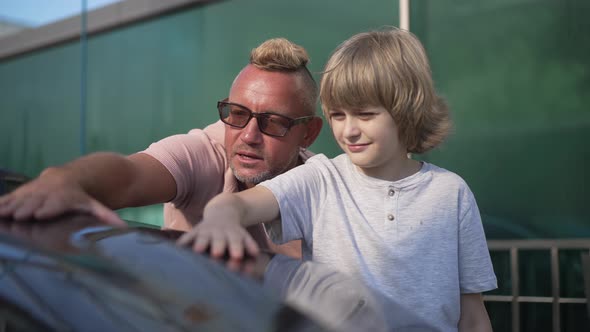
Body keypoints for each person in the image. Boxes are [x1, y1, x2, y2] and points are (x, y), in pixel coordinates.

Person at [178, 28, 497, 331]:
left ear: (406, 110)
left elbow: (472, 315)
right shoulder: (320, 178)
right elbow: (240, 204)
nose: (349, 130)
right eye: (338, 115)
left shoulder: (452, 193)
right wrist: (222, 215)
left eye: (366, 114)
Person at [0, 38, 323, 259]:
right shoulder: (203, 151)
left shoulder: (325, 189)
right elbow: (129, 175)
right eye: (237, 115)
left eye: (273, 122)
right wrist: (67, 180)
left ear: (308, 133)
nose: (249, 135)